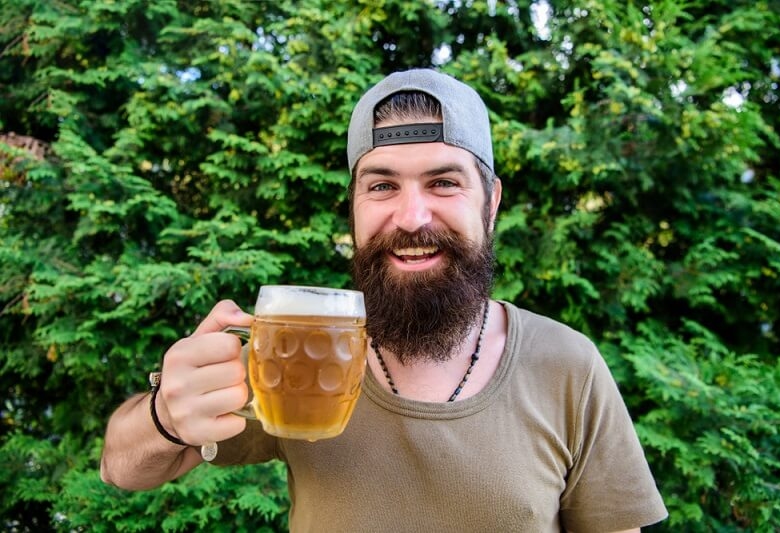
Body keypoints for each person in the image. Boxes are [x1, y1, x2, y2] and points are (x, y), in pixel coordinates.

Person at [101, 69, 668, 532]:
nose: (412, 217)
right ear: (354, 206)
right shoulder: (294, 355)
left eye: (444, 183)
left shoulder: (567, 365)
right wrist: (165, 417)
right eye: (382, 186)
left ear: (490, 203)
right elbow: (120, 466)